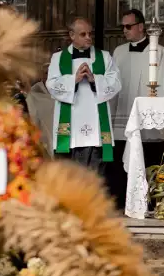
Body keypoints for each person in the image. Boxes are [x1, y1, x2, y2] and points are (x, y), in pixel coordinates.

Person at [109, 8, 164, 210]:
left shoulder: (158, 51)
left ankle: (151, 203)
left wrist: (162, 116)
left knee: (150, 161)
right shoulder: (118, 52)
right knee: (121, 165)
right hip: (122, 119)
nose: (124, 30)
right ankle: (122, 202)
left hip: (149, 123)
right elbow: (112, 86)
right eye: (122, 27)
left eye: (128, 26)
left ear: (141, 26)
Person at [45, 17, 122, 175]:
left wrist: (95, 80)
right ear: (72, 35)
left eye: (90, 33)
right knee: (70, 180)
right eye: (83, 34)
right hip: (70, 132)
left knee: (96, 180)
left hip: (97, 133)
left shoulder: (105, 57)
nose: (88, 37)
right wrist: (74, 79)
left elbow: (116, 83)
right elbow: (51, 85)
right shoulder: (58, 58)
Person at [26, 61, 55, 158]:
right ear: (42, 75)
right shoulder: (34, 94)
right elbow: (32, 119)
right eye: (47, 73)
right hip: (44, 139)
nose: (50, 75)